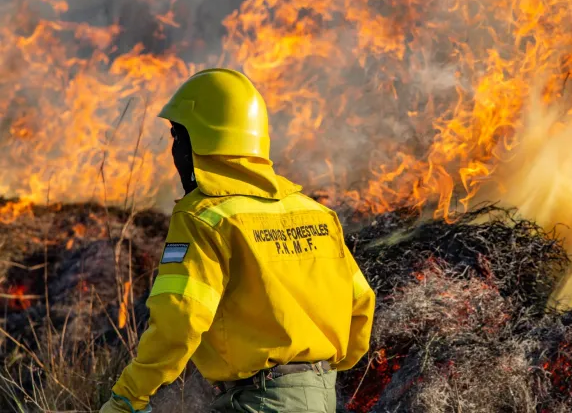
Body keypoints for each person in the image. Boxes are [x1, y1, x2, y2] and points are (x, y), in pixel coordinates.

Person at [99, 68, 376, 413]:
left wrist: (129, 396)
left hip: (257, 401)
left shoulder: (203, 217)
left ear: (198, 141)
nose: (174, 150)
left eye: (176, 137)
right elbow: (361, 303)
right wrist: (312, 375)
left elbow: (180, 318)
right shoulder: (316, 214)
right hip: (321, 396)